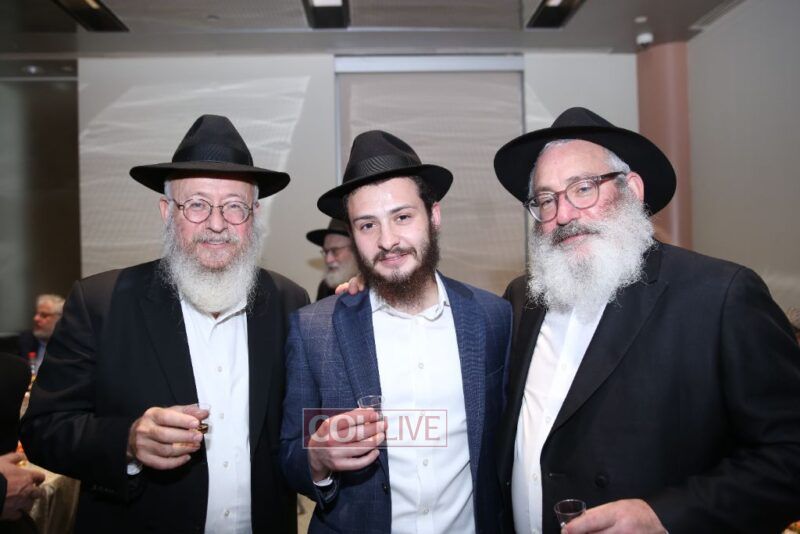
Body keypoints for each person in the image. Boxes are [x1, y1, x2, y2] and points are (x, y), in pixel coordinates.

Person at [492, 107, 800, 533]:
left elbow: (789, 455)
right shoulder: (522, 298)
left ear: (632, 190)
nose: (563, 214)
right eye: (546, 200)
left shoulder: (719, 296)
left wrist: (664, 517)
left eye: (583, 188)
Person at [20, 114, 309, 534]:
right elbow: (43, 429)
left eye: (234, 206)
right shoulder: (101, 302)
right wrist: (127, 440)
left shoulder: (288, 301)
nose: (216, 224)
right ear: (167, 211)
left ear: (254, 215)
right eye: (197, 204)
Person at [281, 130, 511, 533]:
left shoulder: (493, 317)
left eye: (402, 217)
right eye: (367, 225)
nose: (387, 241)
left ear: (433, 216)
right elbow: (289, 455)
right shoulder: (314, 329)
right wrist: (316, 459)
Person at [306, 219, 358, 301]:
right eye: (326, 252)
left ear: (356, 251)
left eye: (335, 251)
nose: (328, 259)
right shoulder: (325, 288)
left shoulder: (374, 286)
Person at [17, 294, 64, 375]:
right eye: (36, 314)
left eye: (44, 315)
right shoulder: (26, 340)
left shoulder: (70, 346)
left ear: (60, 319)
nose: (36, 318)